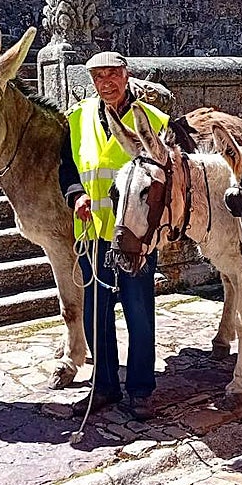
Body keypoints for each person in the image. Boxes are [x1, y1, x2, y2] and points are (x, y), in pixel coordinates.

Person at [58, 51, 169, 421]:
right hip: (92, 232)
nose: (107, 83)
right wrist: (76, 196)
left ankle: (140, 389)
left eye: (113, 75)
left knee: (138, 310)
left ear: (126, 75)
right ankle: (104, 385)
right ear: (92, 82)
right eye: (99, 77)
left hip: (134, 235)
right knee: (96, 312)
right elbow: (67, 168)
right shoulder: (77, 118)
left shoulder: (152, 121)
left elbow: (161, 177)